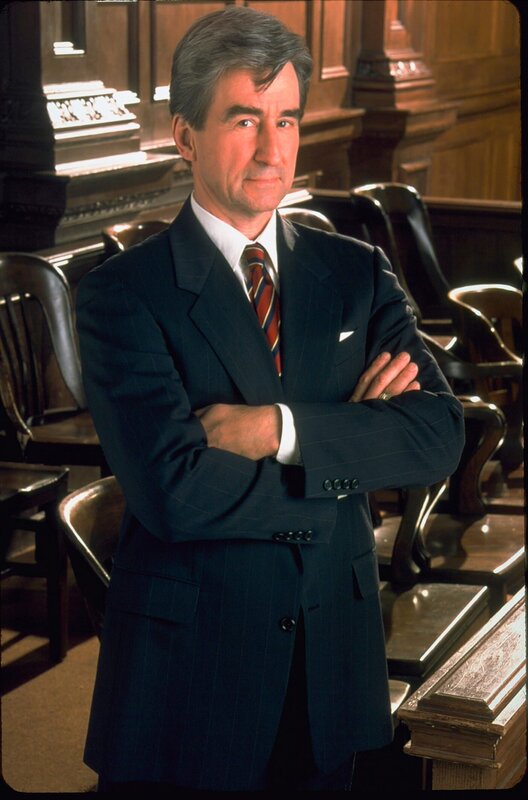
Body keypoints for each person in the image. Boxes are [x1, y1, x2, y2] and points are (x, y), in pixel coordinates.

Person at [76, 6, 464, 793]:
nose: (272, 148)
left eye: (285, 119)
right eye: (244, 119)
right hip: (191, 676)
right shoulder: (122, 294)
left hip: (334, 661)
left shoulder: (355, 272)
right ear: (185, 136)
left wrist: (274, 430)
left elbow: (436, 436)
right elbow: (174, 494)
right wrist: (349, 458)